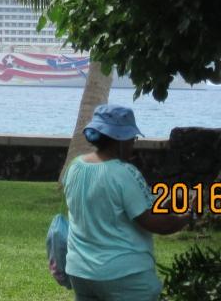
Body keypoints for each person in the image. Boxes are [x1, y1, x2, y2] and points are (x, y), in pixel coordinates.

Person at [62, 104, 191, 301]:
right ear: (119, 140)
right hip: (124, 275)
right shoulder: (124, 173)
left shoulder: (75, 167)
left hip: (80, 272)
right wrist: (187, 216)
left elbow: (111, 204)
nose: (133, 144)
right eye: (132, 138)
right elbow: (155, 223)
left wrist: (170, 201)